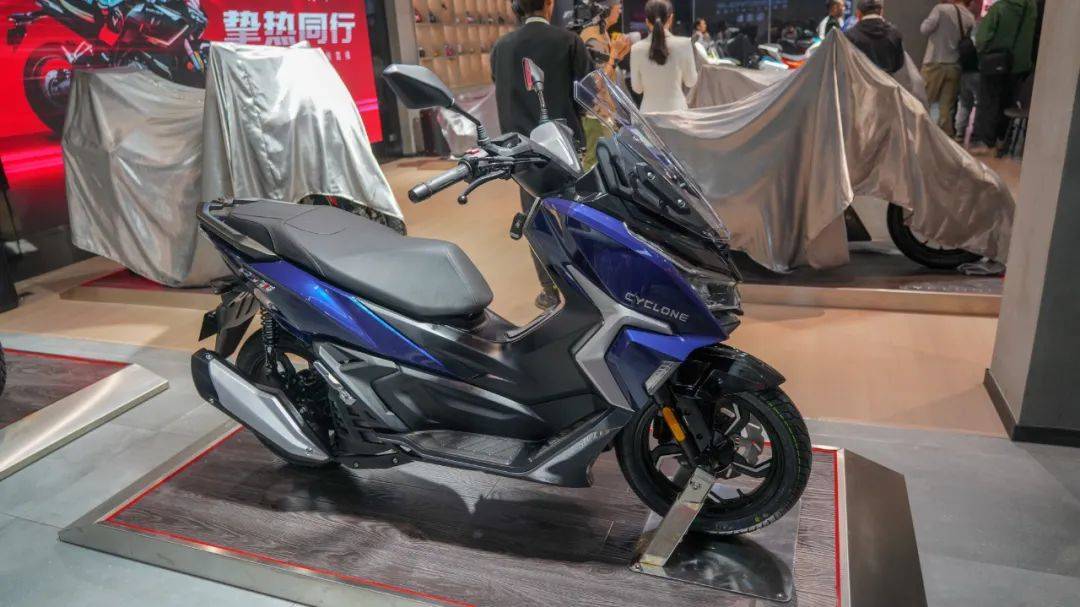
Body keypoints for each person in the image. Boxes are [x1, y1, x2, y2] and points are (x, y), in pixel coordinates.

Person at [490, 0, 591, 308]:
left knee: (536, 217)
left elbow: (503, 91)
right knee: (575, 215)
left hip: (523, 152)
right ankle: (586, 287)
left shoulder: (501, 47)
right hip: (564, 146)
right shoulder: (569, 41)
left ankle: (549, 289)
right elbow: (588, 94)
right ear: (549, 4)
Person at [970, 0, 1037, 155]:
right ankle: (1002, 140)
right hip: (1019, 66)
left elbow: (982, 39)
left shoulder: (1000, 8)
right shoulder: (1032, 10)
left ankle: (984, 141)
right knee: (1008, 102)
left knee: (988, 101)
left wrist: (982, 52)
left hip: (995, 63)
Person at [580, 0, 630, 168]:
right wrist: (614, 54)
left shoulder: (600, 33)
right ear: (607, 10)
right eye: (618, 6)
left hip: (602, 111)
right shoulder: (593, 38)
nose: (620, 10)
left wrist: (618, 55)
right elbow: (596, 82)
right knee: (594, 163)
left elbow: (605, 68)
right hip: (595, 114)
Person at [630, 0, 698, 113]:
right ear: (670, 19)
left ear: (647, 21)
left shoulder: (636, 48)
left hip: (648, 116)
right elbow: (691, 81)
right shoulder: (684, 44)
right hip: (678, 114)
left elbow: (637, 88)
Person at [919, 0, 975, 137]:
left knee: (923, 102)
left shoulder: (941, 9)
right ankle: (944, 139)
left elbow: (924, 29)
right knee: (946, 109)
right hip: (954, 66)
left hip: (934, 63)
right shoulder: (970, 17)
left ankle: (920, 135)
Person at [844, 0, 904, 74]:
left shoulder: (849, 35)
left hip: (859, 80)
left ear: (859, 14)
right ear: (881, 12)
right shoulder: (894, 34)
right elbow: (899, 64)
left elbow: (846, 63)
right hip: (886, 80)